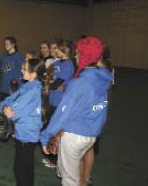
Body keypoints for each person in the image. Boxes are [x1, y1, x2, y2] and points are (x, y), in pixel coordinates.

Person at [40, 37, 113, 186]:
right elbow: (102, 111)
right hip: (91, 135)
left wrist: (46, 135)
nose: (76, 56)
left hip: (74, 136)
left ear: (86, 57)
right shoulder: (103, 80)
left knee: (69, 181)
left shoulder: (79, 83)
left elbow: (63, 113)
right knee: (69, 170)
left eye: (79, 54)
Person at [0, 58, 49, 186]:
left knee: (21, 170)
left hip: (27, 136)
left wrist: (7, 110)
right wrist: (5, 107)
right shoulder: (27, 86)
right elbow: (8, 100)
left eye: (24, 69)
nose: (21, 71)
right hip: (25, 134)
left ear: (33, 74)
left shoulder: (32, 91)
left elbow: (14, 112)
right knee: (26, 169)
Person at [79, 45, 113, 186]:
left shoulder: (97, 68)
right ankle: (87, 177)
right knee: (90, 147)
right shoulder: (108, 66)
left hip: (90, 113)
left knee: (80, 152)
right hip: (98, 112)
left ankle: (81, 181)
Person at [44, 40, 75, 168]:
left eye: (59, 49)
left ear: (66, 50)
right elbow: (48, 79)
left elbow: (57, 83)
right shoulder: (55, 62)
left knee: (57, 131)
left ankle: (57, 160)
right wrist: (48, 83)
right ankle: (51, 154)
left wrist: (48, 85)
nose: (55, 50)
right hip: (51, 100)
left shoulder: (68, 65)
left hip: (60, 102)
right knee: (49, 128)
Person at [0, 36, 24, 101]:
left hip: (13, 88)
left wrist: (17, 87)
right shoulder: (3, 57)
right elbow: (2, 71)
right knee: (3, 107)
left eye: (7, 44)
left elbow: (22, 74)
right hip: (4, 87)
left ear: (13, 45)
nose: (5, 46)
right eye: (5, 44)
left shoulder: (19, 58)